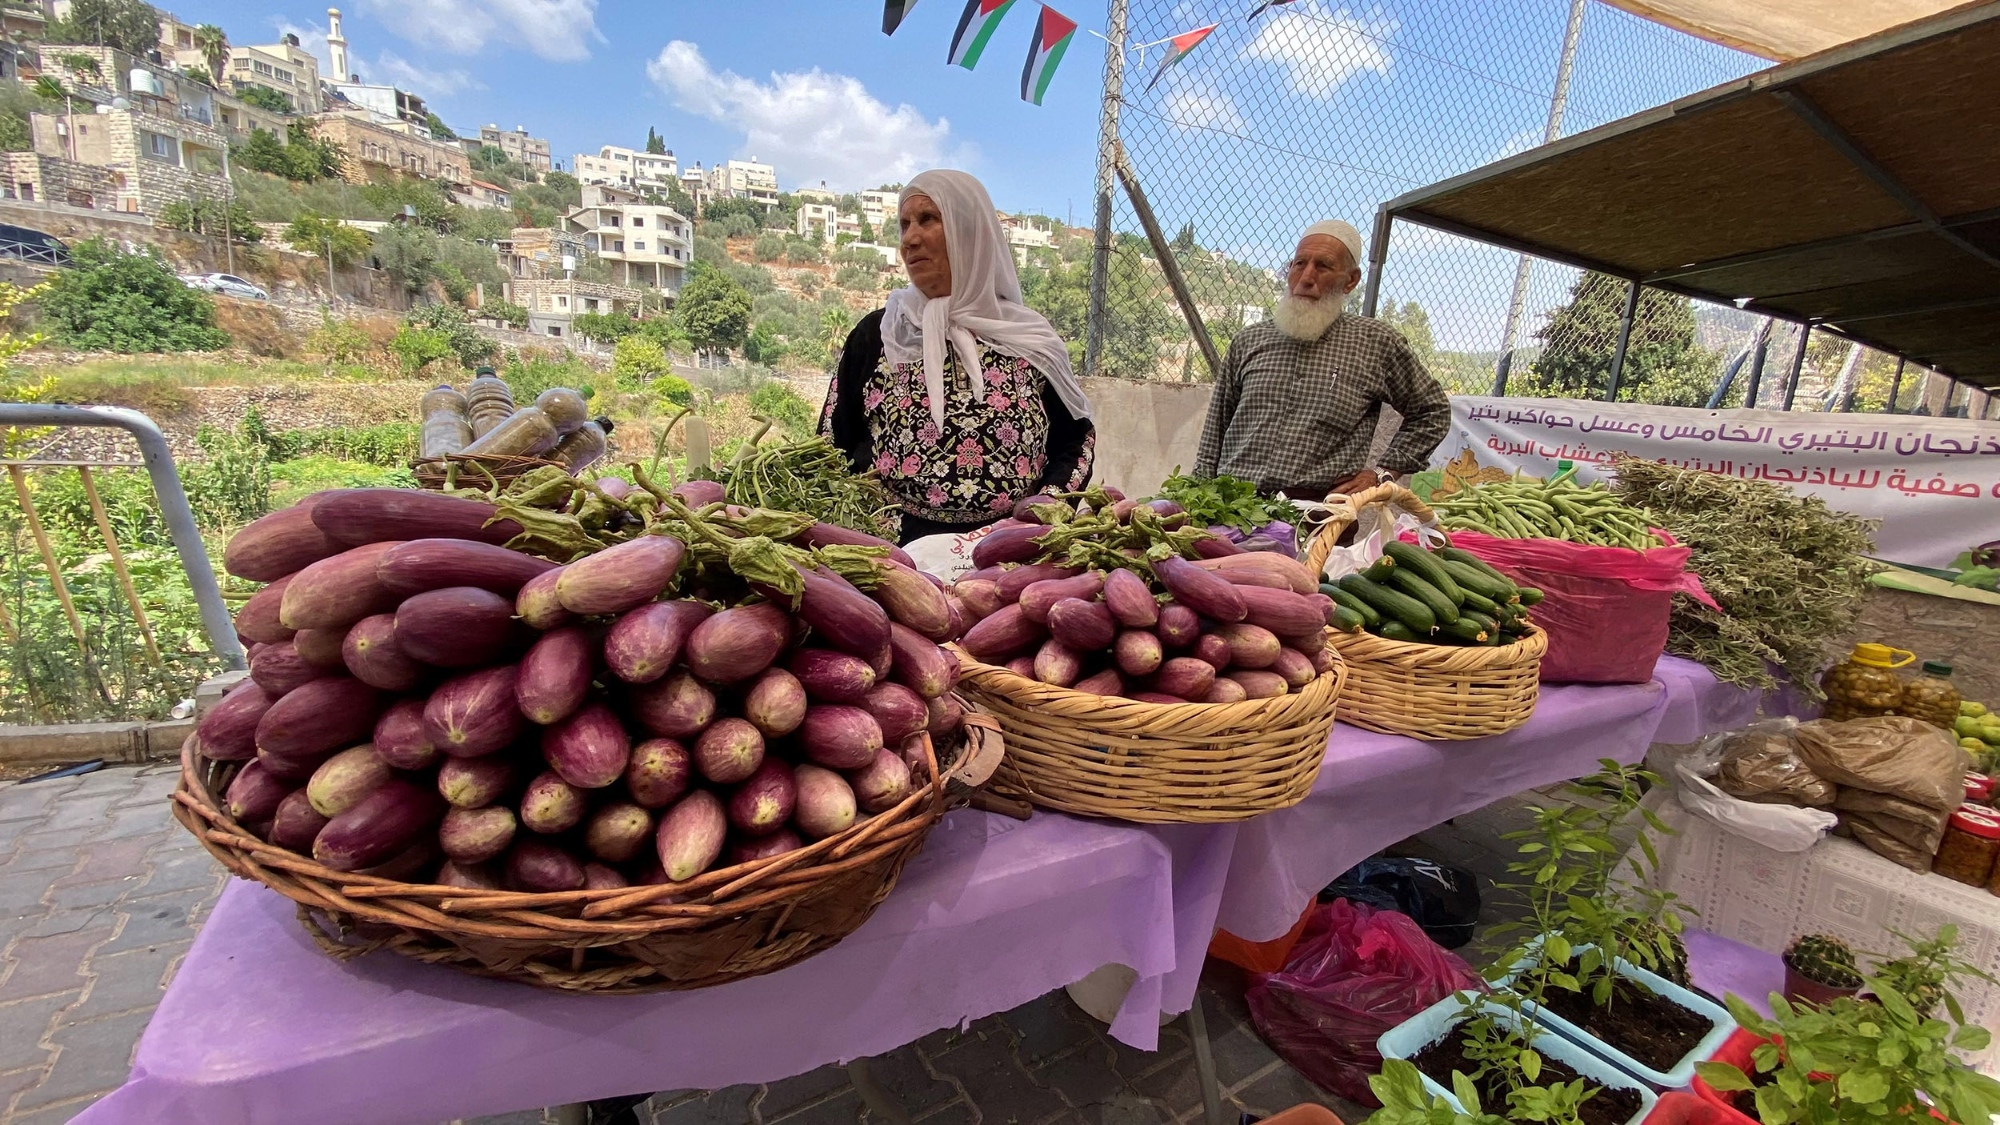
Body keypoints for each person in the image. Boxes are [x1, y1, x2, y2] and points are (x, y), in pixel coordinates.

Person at [821, 169, 1095, 544]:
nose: (909, 239)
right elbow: (829, 446)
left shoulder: (1028, 337)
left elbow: (1075, 441)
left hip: (1006, 556)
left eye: (928, 219)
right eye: (904, 225)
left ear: (970, 231)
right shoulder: (880, 334)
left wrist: (1043, 513)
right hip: (891, 555)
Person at [1194, 219, 1449, 499]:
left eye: (1323, 266)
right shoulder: (1250, 340)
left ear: (1350, 280)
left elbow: (1432, 411)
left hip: (1318, 514)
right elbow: (1214, 431)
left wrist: (1383, 473)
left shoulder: (1376, 343)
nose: (1306, 277)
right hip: (1232, 505)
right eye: (1299, 263)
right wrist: (1196, 497)